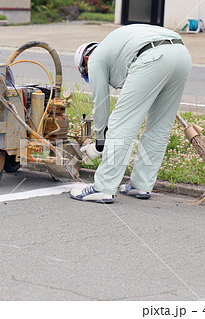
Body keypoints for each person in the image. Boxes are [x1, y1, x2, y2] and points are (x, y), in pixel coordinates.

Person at [70, 24, 192, 204]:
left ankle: (103, 188)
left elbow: (101, 105)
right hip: (181, 55)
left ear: (86, 60)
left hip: (151, 57)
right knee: (160, 126)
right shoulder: (116, 48)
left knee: (121, 124)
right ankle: (141, 185)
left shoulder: (95, 58)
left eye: (86, 74)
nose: (90, 78)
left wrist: (100, 143)